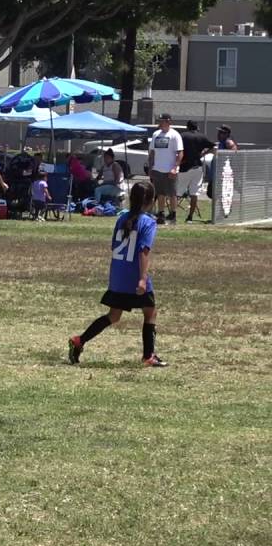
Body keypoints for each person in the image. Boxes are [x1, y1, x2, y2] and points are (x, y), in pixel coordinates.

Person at [67, 181, 167, 368]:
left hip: (118, 274)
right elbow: (143, 252)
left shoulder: (121, 219)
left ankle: (79, 340)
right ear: (151, 201)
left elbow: (114, 246)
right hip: (134, 275)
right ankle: (148, 356)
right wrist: (143, 279)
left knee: (113, 316)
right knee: (150, 312)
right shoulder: (148, 222)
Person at [146, 113, 182, 225]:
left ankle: (173, 214)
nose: (160, 123)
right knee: (160, 193)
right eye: (159, 120)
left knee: (172, 193)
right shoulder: (156, 134)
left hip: (170, 169)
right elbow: (152, 152)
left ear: (168, 122)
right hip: (157, 168)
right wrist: (151, 167)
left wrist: (175, 167)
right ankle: (161, 213)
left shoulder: (175, 135)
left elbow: (180, 152)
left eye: (162, 121)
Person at [177, 120, 214, 224]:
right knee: (194, 193)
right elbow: (213, 147)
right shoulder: (202, 137)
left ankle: (173, 214)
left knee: (178, 192)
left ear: (187, 127)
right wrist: (203, 154)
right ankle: (190, 217)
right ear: (197, 127)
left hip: (184, 167)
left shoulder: (182, 136)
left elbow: (177, 150)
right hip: (197, 167)